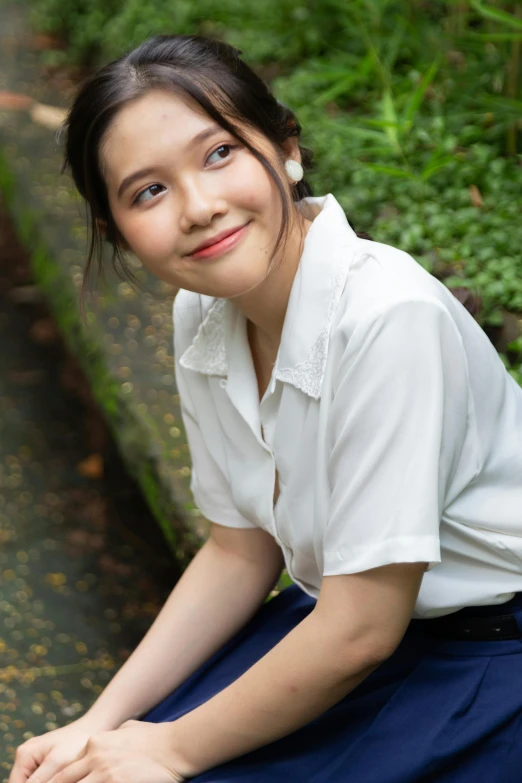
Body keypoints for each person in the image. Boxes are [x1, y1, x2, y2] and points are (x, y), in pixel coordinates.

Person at [9, 34, 522, 783]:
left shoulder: (388, 317)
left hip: (485, 654)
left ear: (286, 150)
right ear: (116, 231)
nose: (199, 206)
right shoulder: (204, 313)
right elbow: (239, 549)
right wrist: (100, 722)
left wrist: (168, 747)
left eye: (219, 153)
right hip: (342, 626)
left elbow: (361, 632)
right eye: (148, 191)